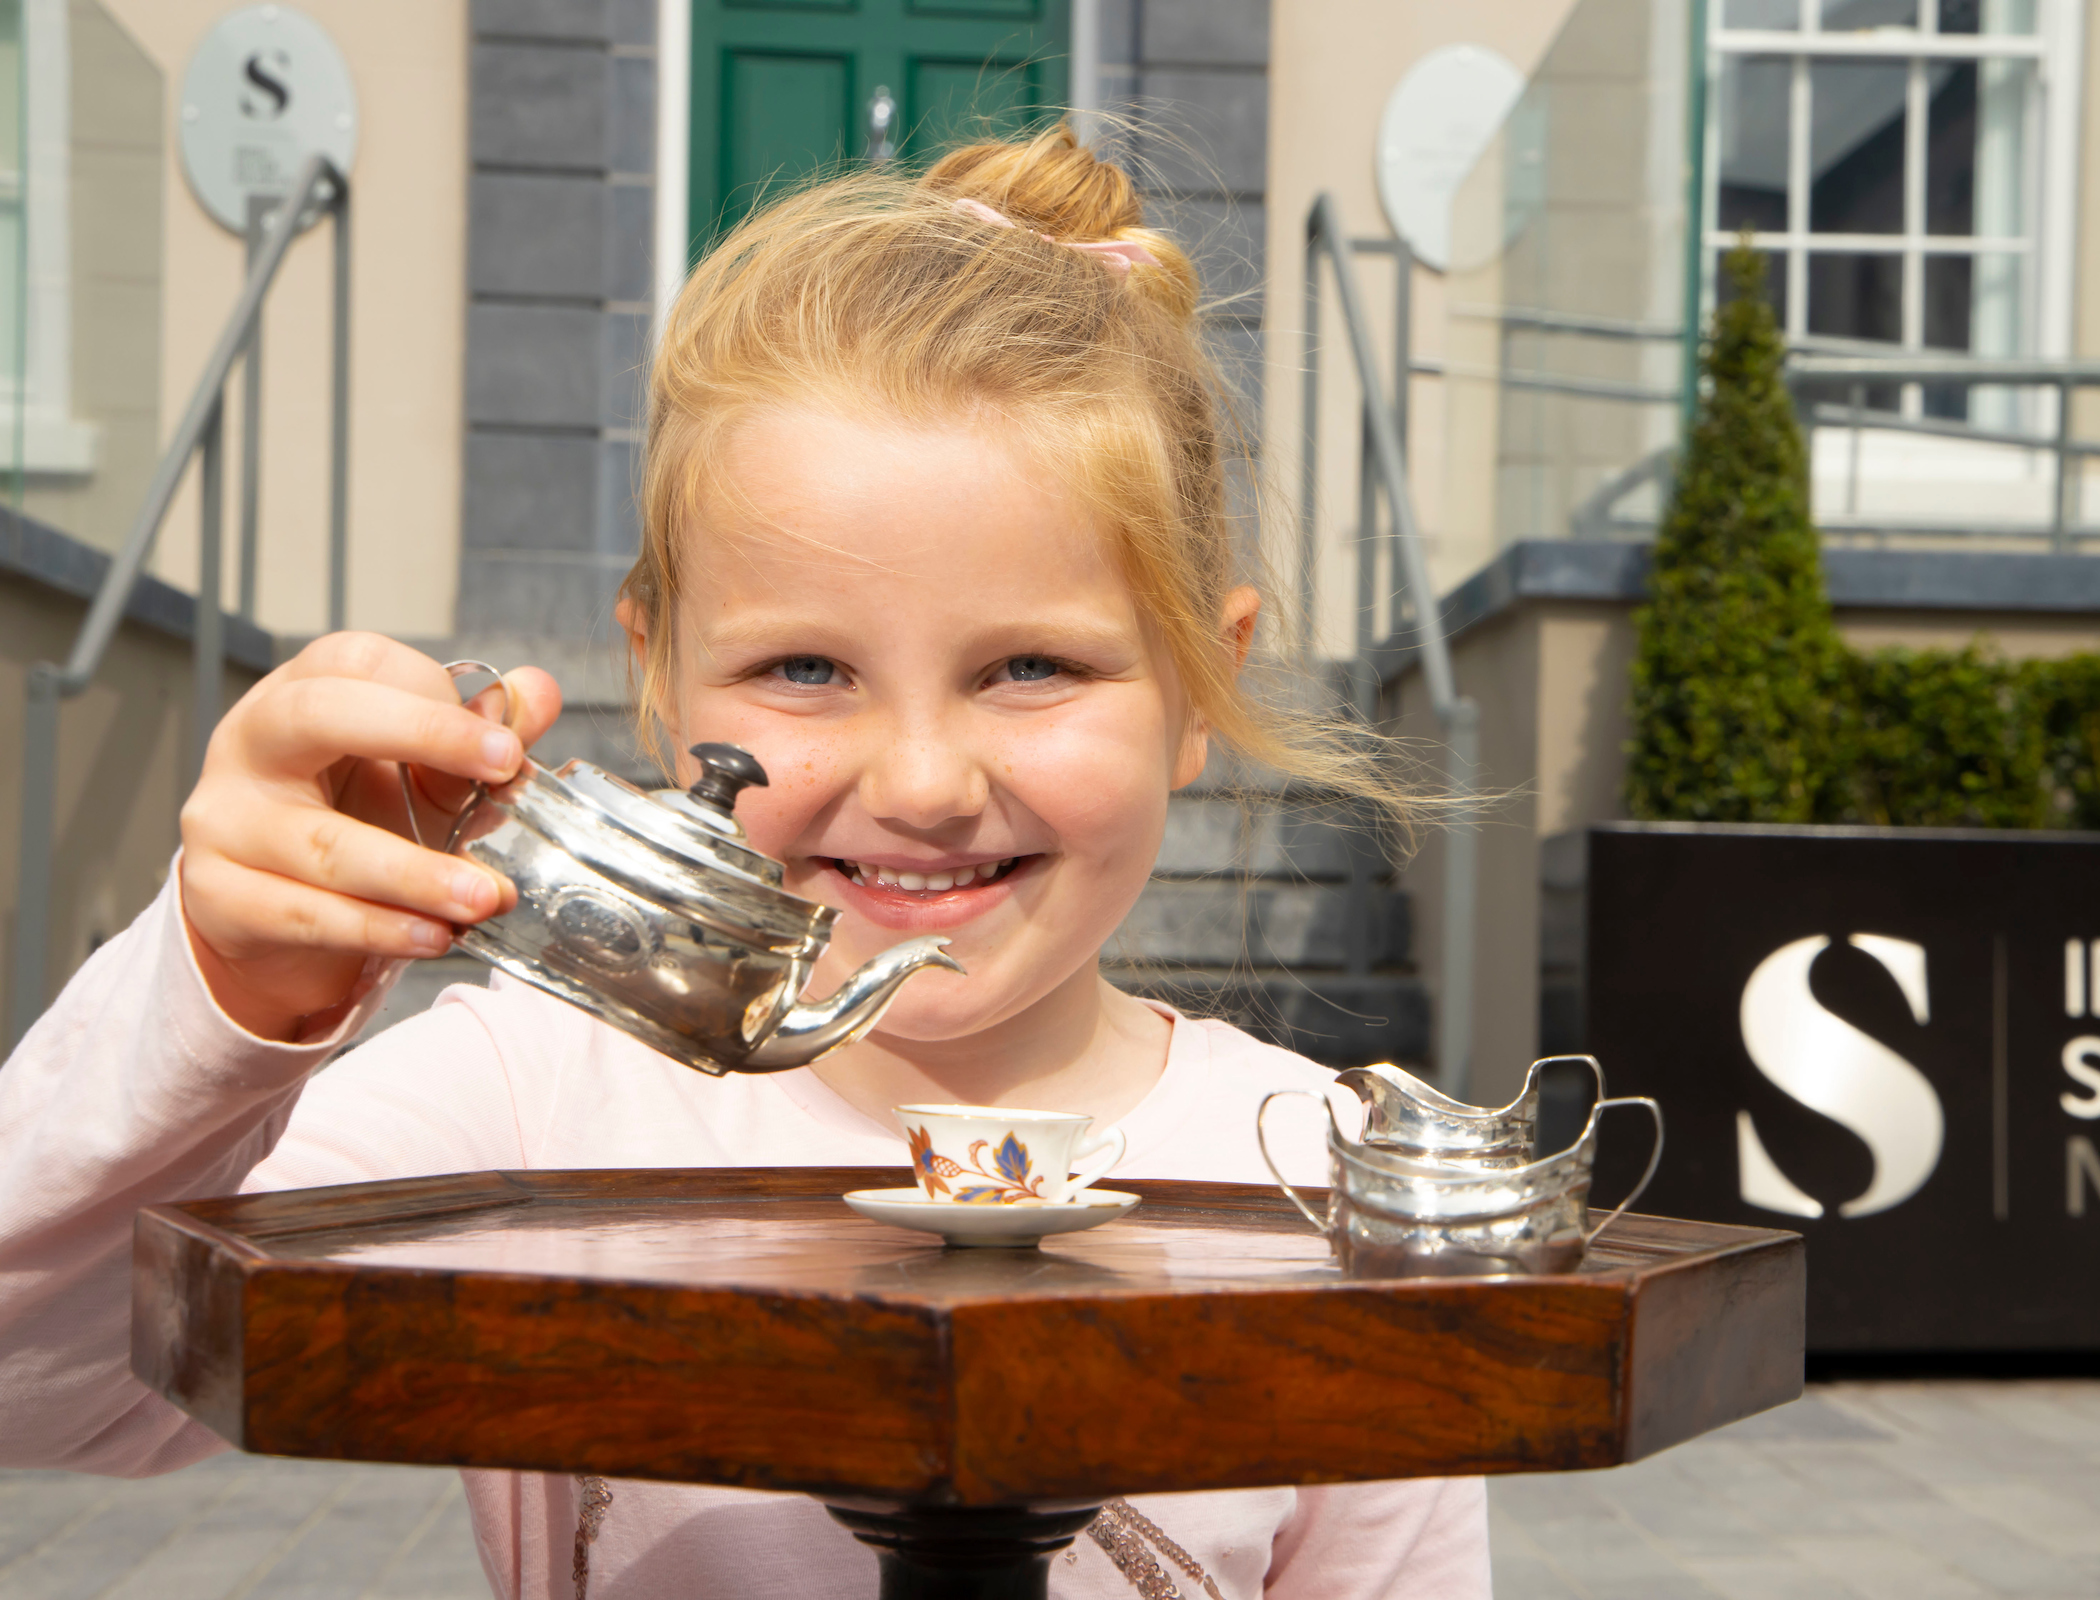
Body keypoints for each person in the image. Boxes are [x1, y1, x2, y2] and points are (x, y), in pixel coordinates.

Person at [0, 127, 1489, 1599]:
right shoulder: (532, 1106)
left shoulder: (1325, 1183)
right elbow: (49, 1384)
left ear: (1195, 692)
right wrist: (225, 988)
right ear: (658, 680)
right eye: (804, 668)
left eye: (1032, 665)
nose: (919, 784)